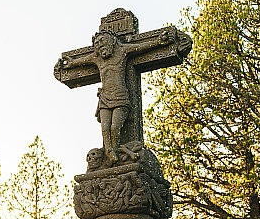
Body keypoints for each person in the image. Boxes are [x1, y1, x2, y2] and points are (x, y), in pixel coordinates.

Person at [58, 28, 174, 166]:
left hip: (120, 96)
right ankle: (109, 151)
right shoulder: (96, 57)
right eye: (97, 43)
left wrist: (157, 42)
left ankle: (117, 150)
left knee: (115, 127)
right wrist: (71, 63)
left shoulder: (122, 51)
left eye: (103, 40)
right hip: (105, 98)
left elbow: (139, 47)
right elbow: (81, 61)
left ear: (112, 41)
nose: (100, 45)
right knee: (105, 127)